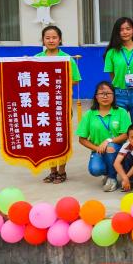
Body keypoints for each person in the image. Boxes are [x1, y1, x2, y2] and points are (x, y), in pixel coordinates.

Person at [35, 24, 80, 185]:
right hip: (43, 106)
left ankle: (62, 171)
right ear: (43, 40)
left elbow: (76, 80)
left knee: (61, 138)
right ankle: (52, 171)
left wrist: (58, 82)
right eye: (47, 38)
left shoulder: (67, 59)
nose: (51, 40)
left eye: (54, 37)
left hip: (62, 105)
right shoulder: (37, 58)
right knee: (47, 138)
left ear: (60, 40)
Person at [77, 82, 131, 192]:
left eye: (108, 93)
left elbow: (126, 134)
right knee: (95, 169)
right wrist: (97, 148)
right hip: (99, 150)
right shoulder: (89, 114)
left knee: (110, 147)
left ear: (113, 95)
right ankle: (108, 171)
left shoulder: (121, 112)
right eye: (101, 94)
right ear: (96, 97)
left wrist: (108, 141)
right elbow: (82, 139)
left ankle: (112, 178)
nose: (105, 97)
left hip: (118, 148)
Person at [103, 16, 133, 125]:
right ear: (117, 32)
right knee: (118, 127)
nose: (125, 32)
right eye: (121, 29)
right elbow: (112, 75)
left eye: (128, 29)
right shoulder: (112, 52)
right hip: (119, 93)